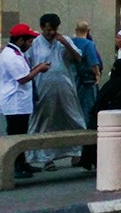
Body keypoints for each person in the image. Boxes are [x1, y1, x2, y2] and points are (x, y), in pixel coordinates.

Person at [26, 13, 86, 171]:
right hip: (43, 88)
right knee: (45, 121)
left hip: (65, 86)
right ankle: (46, 158)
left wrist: (65, 43)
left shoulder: (63, 40)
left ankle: (77, 152)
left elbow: (78, 58)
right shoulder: (35, 44)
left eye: (54, 29)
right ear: (42, 29)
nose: (51, 33)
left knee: (73, 117)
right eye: (47, 30)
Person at [79, 59, 121, 171]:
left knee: (95, 126)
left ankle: (90, 161)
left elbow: (98, 106)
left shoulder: (111, 85)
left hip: (112, 124)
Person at [1, 24, 51, 179]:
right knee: (16, 135)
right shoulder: (10, 56)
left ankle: (22, 163)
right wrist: (39, 69)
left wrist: (35, 67)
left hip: (20, 102)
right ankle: (15, 165)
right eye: (29, 42)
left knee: (22, 134)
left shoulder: (16, 53)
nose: (30, 45)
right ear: (21, 40)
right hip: (14, 102)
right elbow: (22, 78)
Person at [71, 20, 103, 119]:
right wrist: (97, 75)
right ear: (88, 30)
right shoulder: (88, 44)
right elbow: (93, 62)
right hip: (86, 81)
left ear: (76, 30)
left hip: (72, 77)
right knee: (87, 105)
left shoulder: (71, 42)